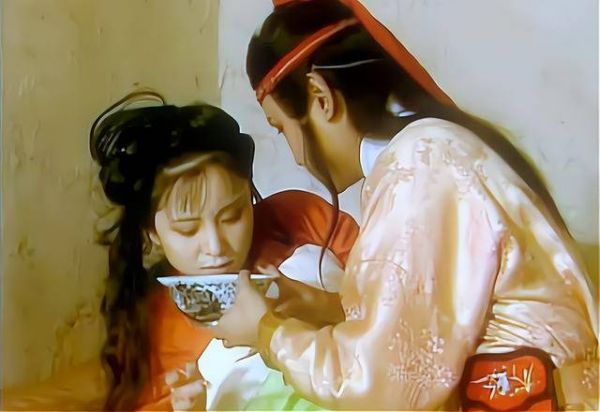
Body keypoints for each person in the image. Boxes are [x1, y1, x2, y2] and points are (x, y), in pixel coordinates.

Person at [214, 1, 599, 410]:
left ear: (320, 97)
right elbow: (426, 331)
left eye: (282, 128)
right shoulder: (428, 152)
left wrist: (267, 331)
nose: (295, 155)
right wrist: (324, 308)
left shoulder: (420, 166)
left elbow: (383, 386)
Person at [2, 92, 358, 411]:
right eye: (187, 229)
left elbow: (388, 306)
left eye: (232, 216)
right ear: (152, 233)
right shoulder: (159, 328)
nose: (216, 248)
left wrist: (312, 306)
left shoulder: (299, 220)